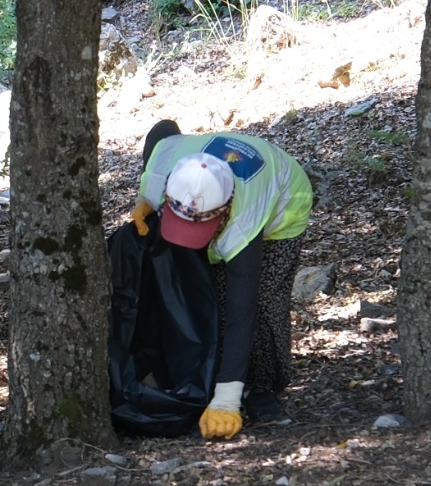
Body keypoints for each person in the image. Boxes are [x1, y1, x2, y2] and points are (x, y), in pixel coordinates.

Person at [129, 121, 315, 439]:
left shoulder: (246, 215)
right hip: (215, 180)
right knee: (200, 289)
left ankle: (259, 387)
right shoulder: (162, 172)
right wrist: (145, 202)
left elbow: (241, 312)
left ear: (224, 210)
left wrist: (226, 401)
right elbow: (162, 131)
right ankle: (206, 373)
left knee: (258, 300)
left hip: (284, 204)